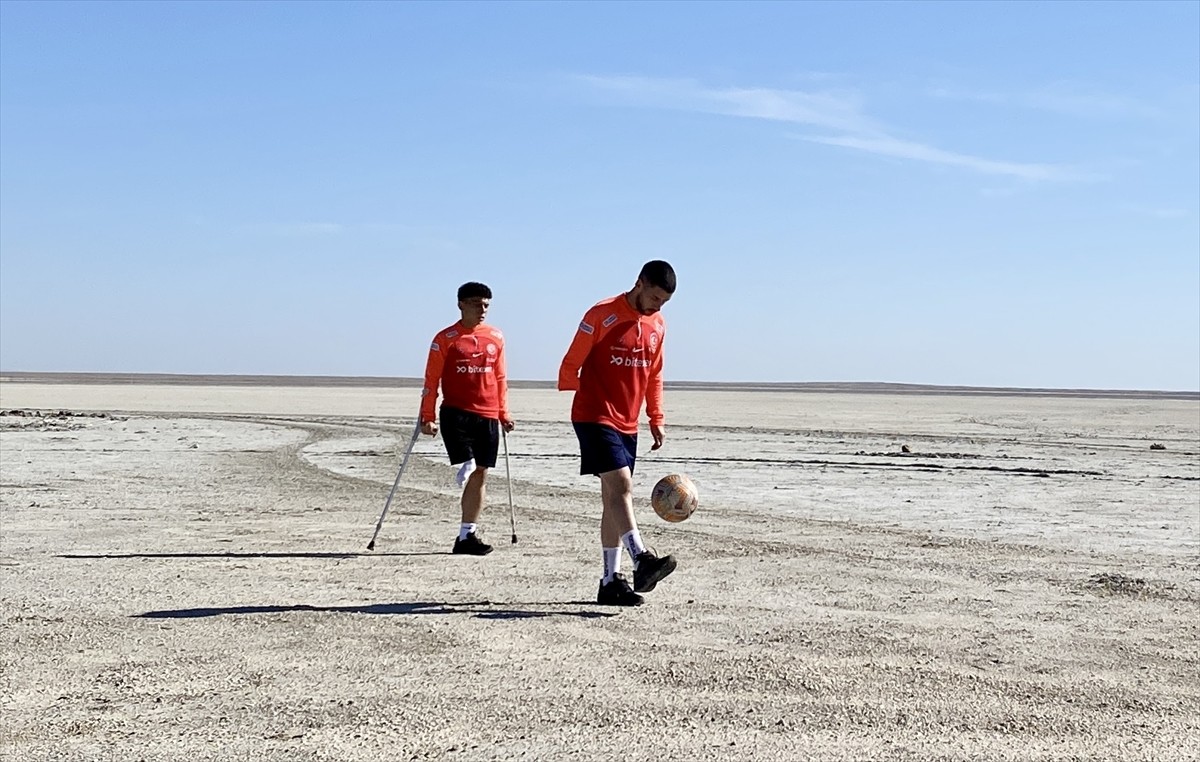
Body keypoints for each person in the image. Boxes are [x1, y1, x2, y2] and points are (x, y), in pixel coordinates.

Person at [558, 260, 679, 606]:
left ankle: (610, 582)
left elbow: (654, 374)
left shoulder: (657, 325)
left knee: (612, 500)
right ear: (639, 283)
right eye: (654, 297)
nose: (657, 306)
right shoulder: (602, 314)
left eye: (664, 302)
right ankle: (642, 559)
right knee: (622, 486)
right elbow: (571, 363)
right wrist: (584, 391)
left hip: (628, 422)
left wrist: (655, 415)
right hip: (594, 416)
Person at [420, 282, 515, 556]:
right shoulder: (446, 338)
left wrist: (503, 413)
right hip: (456, 411)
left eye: (486, 304)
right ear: (461, 304)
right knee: (470, 463)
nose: (481, 309)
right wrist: (427, 415)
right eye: (476, 303)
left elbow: (500, 377)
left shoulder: (495, 336)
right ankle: (466, 462)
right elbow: (432, 379)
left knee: (480, 474)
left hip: (487, 413)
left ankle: (466, 536)